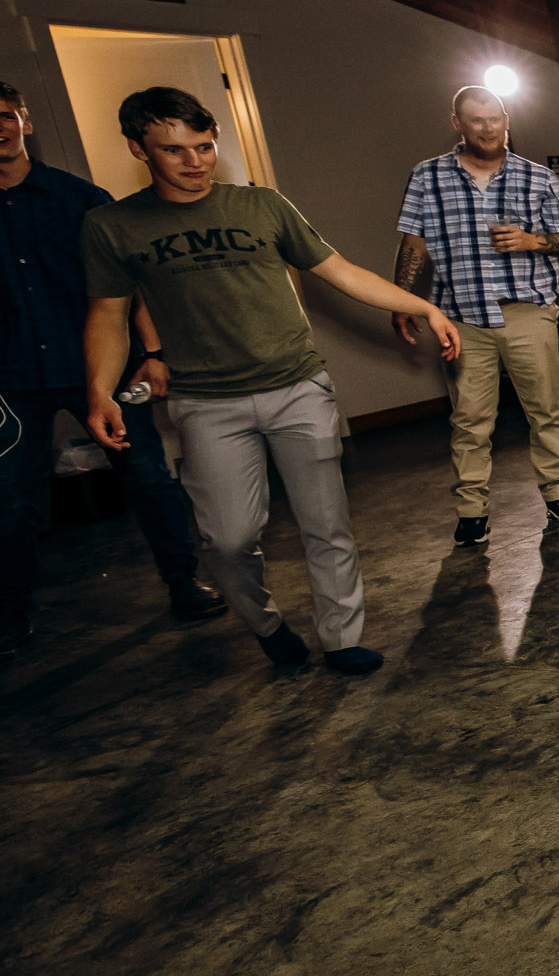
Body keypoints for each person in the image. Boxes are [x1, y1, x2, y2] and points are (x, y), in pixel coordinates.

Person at [80, 87, 461, 674]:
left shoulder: (262, 206)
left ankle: (341, 637)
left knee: (326, 524)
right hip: (205, 402)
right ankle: (264, 622)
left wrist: (424, 306)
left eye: (205, 146)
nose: (195, 161)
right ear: (139, 149)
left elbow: (341, 272)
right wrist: (100, 392)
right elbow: (107, 314)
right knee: (228, 540)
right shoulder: (113, 226)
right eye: (175, 150)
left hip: (296, 387)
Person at [0, 80, 224, 655]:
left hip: (103, 366)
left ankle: (183, 582)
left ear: (24, 119)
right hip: (11, 377)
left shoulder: (80, 199)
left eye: (5, 115)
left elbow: (132, 288)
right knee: (10, 498)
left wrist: (153, 354)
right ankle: (9, 611)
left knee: (148, 477)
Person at [393, 87, 559, 547]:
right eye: (475, 120)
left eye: (494, 118)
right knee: (469, 419)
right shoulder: (427, 177)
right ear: (457, 123)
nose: (486, 127)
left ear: (507, 120)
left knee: (545, 409)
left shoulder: (536, 178)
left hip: (527, 311)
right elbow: (413, 244)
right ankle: (471, 510)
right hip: (460, 317)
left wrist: (532, 241)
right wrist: (402, 301)